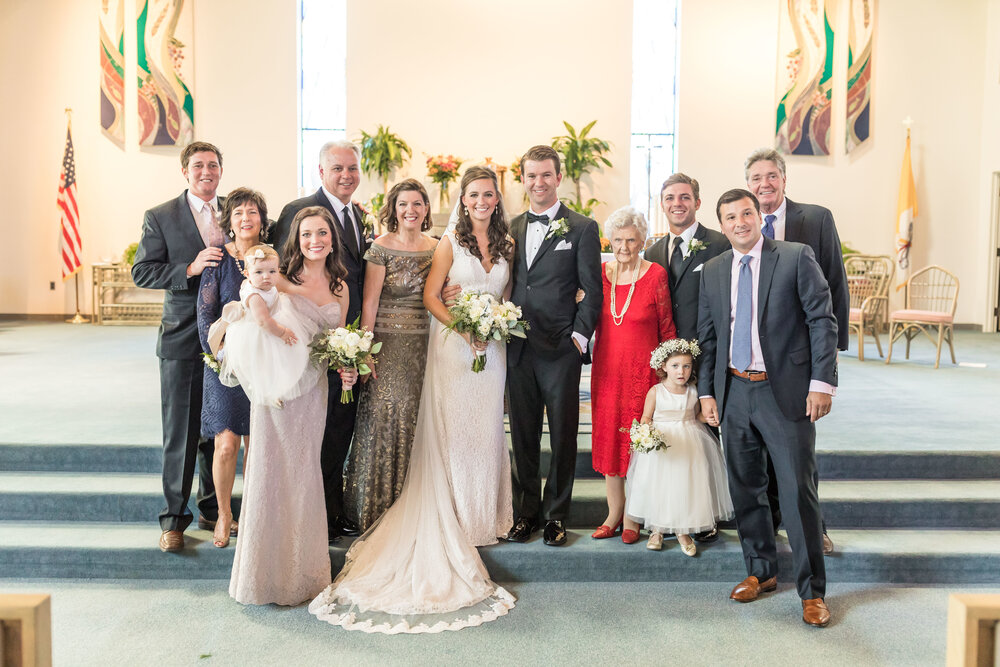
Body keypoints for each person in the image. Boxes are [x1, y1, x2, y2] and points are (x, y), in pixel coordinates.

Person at [309, 166, 516, 633]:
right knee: (416, 422)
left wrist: (492, 321)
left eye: (489, 194)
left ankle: (482, 511)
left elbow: (504, 293)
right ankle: (389, 505)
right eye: (474, 194)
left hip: (473, 346)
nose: (411, 210)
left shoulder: (502, 244)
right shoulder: (439, 243)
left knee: (476, 430)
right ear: (463, 200)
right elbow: (411, 296)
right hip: (427, 340)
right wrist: (362, 348)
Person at [697, 188, 837, 628]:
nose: (739, 222)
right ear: (721, 225)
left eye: (746, 213)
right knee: (745, 490)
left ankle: (812, 592)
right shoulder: (714, 270)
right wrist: (707, 393)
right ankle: (761, 571)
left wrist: (821, 383)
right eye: (730, 217)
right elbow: (709, 338)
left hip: (786, 391)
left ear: (760, 216)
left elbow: (822, 319)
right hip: (735, 392)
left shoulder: (795, 256)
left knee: (798, 494)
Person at [229, 206, 356, 606]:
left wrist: (349, 365)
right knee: (270, 468)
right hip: (278, 389)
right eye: (306, 235)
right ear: (296, 241)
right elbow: (254, 320)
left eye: (321, 233)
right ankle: (262, 576)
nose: (314, 241)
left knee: (304, 472)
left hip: (314, 389)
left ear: (332, 238)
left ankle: (304, 575)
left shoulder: (340, 286)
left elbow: (338, 338)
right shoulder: (278, 277)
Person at [745, 148, 846, 554]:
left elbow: (835, 285)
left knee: (799, 450)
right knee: (762, 448)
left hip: (800, 356)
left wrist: (832, 355)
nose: (764, 184)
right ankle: (769, 525)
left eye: (771, 176)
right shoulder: (742, 224)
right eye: (756, 178)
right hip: (752, 357)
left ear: (784, 180)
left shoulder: (815, 219)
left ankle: (813, 525)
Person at [505, 145, 602, 547]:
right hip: (517, 346)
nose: (538, 182)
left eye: (546, 175)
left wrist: (578, 338)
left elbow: (592, 290)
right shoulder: (510, 227)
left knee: (563, 434)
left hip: (560, 348)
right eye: (531, 175)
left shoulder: (581, 227)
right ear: (523, 179)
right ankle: (526, 512)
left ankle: (556, 515)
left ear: (558, 177)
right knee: (523, 433)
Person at [274, 140, 369, 542]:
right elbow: (282, 279)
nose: (346, 175)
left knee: (338, 432)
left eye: (352, 168)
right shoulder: (298, 210)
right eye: (337, 168)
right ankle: (310, 516)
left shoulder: (358, 215)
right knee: (312, 438)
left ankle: (331, 510)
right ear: (321, 171)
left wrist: (353, 347)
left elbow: (356, 278)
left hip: (346, 338)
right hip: (306, 352)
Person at [133, 141, 224, 552]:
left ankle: (211, 507)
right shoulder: (161, 216)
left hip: (227, 338)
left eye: (214, 165)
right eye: (199, 165)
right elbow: (143, 271)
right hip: (183, 335)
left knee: (216, 428)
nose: (207, 171)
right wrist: (188, 269)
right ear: (185, 171)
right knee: (181, 433)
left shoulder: (233, 210)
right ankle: (174, 519)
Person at [343, 179, 437, 531]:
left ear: (426, 208)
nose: (410, 210)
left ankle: (412, 503)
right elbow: (369, 303)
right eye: (403, 204)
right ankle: (376, 506)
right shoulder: (380, 248)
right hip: (386, 345)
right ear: (393, 209)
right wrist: (366, 353)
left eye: (416, 204)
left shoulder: (437, 247)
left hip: (423, 347)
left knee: (417, 419)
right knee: (383, 418)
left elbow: (439, 292)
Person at [644, 172, 730, 543]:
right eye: (669, 198)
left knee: (706, 435)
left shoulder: (719, 243)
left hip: (707, 352)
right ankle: (672, 512)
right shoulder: (652, 251)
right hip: (668, 359)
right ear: (662, 204)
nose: (676, 204)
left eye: (684, 197)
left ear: (697, 201)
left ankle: (707, 514)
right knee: (674, 438)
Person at [589, 206, 675, 544]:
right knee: (611, 442)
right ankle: (613, 512)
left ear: (643, 241)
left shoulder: (655, 275)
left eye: (632, 240)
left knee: (638, 444)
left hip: (644, 373)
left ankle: (633, 516)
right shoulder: (599, 274)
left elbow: (667, 327)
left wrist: (670, 375)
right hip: (607, 371)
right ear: (608, 240)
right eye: (618, 239)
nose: (624, 246)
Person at [196, 187, 266, 548]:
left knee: (258, 444)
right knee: (226, 445)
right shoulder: (217, 260)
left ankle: (254, 512)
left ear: (261, 219)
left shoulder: (271, 256)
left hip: (263, 364)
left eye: (252, 212)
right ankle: (224, 513)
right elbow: (205, 314)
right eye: (238, 213)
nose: (245, 219)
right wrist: (222, 353)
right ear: (229, 221)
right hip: (223, 363)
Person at [625, 339, 733, 554]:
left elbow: (696, 415)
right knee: (660, 487)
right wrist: (646, 434)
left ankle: (683, 531)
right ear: (663, 366)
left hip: (688, 442)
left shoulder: (693, 391)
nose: (681, 371)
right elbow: (646, 417)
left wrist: (708, 418)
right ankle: (657, 530)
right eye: (675, 366)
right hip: (662, 445)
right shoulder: (656, 391)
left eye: (686, 366)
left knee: (684, 487)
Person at [210, 244, 324, 407]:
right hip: (261, 331)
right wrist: (283, 332)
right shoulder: (255, 295)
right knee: (265, 364)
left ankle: (281, 386)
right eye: (259, 272)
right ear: (247, 274)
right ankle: (268, 393)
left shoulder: (264, 286)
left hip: (273, 322)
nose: (266, 277)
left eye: (272, 271)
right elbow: (263, 321)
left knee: (288, 358)